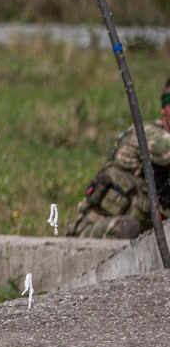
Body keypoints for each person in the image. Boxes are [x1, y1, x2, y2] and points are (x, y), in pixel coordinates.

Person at [66, 76, 170, 239]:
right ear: (163, 109)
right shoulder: (146, 135)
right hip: (97, 229)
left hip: (139, 238)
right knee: (129, 227)